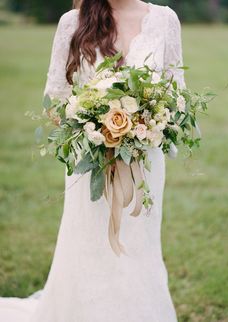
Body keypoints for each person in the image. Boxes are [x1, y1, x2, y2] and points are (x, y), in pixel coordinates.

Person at [0, 0, 186, 321]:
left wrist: (143, 124)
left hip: (144, 163)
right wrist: (97, 124)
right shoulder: (72, 22)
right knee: (89, 246)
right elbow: (55, 99)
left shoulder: (164, 19)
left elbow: (177, 95)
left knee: (138, 243)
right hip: (91, 162)